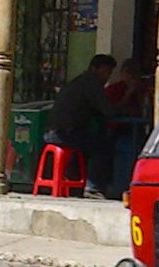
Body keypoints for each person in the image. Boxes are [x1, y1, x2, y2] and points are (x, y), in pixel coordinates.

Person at [45, 54, 117, 195]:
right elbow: (110, 111)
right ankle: (93, 187)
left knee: (87, 145)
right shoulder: (91, 83)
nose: (107, 77)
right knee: (104, 146)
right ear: (94, 69)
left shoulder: (80, 81)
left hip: (55, 132)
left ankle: (76, 185)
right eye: (106, 72)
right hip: (64, 133)